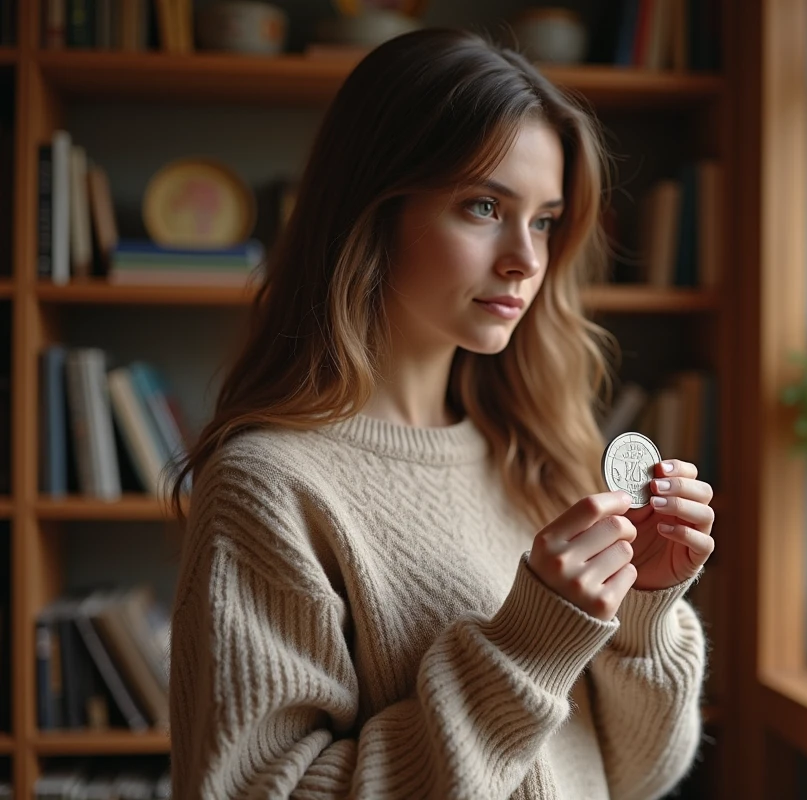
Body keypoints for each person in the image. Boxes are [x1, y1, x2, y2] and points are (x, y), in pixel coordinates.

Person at [167, 26, 716, 800]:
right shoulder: (269, 487)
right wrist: (525, 648)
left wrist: (642, 615)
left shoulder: (542, 448)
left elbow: (637, 774)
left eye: (546, 220)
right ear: (374, 210)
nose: (527, 259)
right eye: (484, 205)